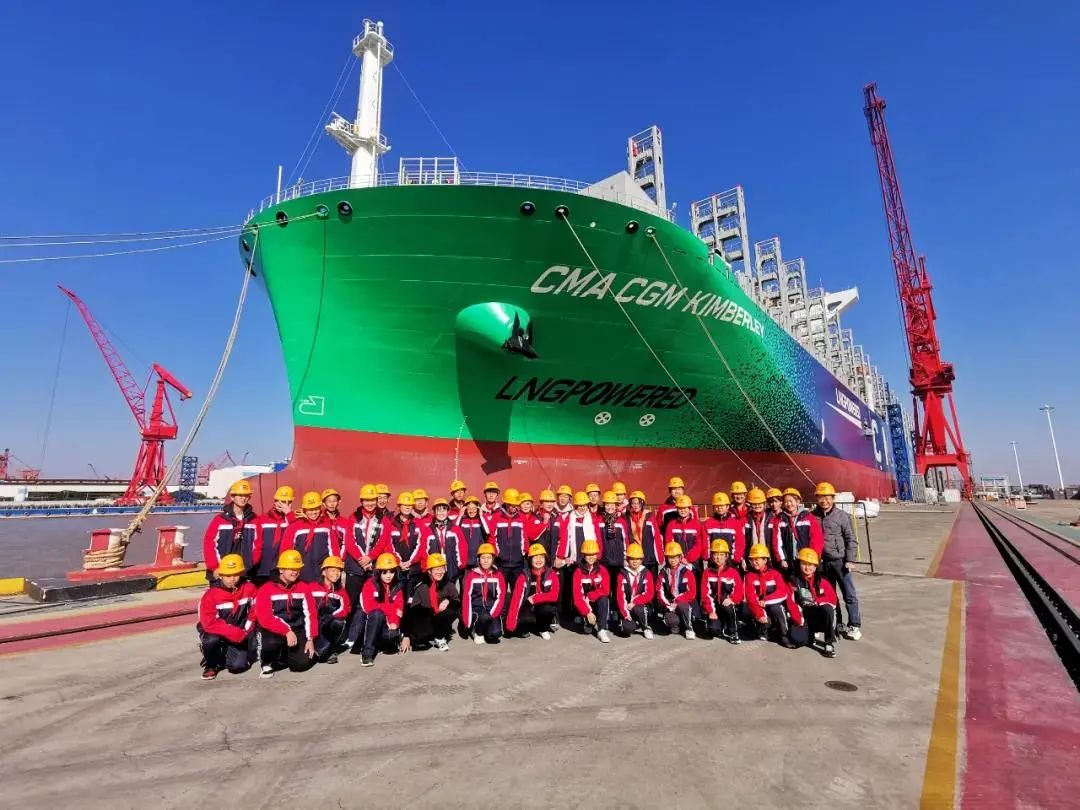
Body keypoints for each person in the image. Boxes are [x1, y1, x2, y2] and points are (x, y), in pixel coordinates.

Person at [254, 549, 318, 677]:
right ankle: (267, 661)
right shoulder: (266, 589)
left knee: (301, 664)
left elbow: (311, 614)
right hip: (273, 630)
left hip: (297, 629)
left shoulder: (304, 587)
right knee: (271, 643)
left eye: (297, 569)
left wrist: (310, 639)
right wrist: (287, 631)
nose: (295, 572)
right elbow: (265, 617)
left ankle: (285, 656)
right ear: (281, 569)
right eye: (291, 569)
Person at [812, 481, 863, 640]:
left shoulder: (842, 516)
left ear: (833, 498)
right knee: (830, 596)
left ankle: (854, 625)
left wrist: (850, 559)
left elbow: (851, 539)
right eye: (821, 497)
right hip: (822, 563)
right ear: (817, 499)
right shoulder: (812, 516)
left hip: (840, 562)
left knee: (849, 594)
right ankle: (837, 623)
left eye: (827, 497)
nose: (824, 501)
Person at [196, 553, 257, 680]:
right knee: (211, 640)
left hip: (240, 632)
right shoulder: (210, 595)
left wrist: (246, 631)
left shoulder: (250, 589)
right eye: (228, 576)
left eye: (236, 575)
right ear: (221, 575)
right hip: (216, 632)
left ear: (241, 573)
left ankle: (224, 653)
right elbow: (209, 623)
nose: (232, 579)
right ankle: (211, 664)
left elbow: (254, 612)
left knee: (238, 667)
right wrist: (233, 632)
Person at [356, 553, 408, 666]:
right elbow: (369, 607)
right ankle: (367, 653)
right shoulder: (370, 584)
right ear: (378, 572)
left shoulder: (398, 586)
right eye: (384, 572)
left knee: (392, 635)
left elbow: (399, 607)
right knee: (376, 614)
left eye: (391, 572)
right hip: (371, 621)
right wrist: (388, 616)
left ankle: (383, 645)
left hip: (388, 623)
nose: (389, 576)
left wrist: (394, 622)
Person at [555, 492, 601, 619]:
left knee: (587, 587)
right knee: (571, 588)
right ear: (575, 506)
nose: (582, 508)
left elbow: (597, 537)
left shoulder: (591, 519)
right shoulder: (570, 518)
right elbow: (564, 538)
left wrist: (598, 554)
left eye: (584, 505)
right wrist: (562, 556)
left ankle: (586, 612)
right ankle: (571, 613)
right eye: (579, 505)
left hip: (587, 557)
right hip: (574, 559)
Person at [744, 543, 799, 647]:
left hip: (775, 605)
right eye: (752, 560)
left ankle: (784, 636)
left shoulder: (775, 574)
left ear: (765, 560)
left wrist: (765, 600)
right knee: (757, 618)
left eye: (757, 559)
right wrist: (759, 614)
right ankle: (764, 630)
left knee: (776, 608)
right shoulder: (749, 576)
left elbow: (782, 593)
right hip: (759, 607)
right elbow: (750, 597)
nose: (754, 562)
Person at [203, 480, 260, 580]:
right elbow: (209, 543)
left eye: (246, 495)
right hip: (221, 571)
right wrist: (215, 567)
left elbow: (258, 544)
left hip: (245, 571)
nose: (243, 498)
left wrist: (250, 564)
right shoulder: (220, 520)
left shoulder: (254, 520)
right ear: (232, 497)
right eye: (240, 495)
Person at [343, 484, 383, 627]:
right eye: (367, 500)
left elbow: (382, 541)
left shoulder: (383, 519)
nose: (370, 503)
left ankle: (368, 631)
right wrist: (362, 560)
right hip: (355, 567)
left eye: (372, 500)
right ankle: (348, 632)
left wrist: (370, 558)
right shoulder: (353, 518)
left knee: (371, 601)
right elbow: (349, 542)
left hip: (373, 567)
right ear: (361, 501)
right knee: (351, 602)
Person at [788, 548, 839, 657]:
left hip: (819, 614)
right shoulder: (793, 581)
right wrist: (797, 618)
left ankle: (829, 642)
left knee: (828, 609)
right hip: (804, 615)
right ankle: (810, 635)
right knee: (797, 640)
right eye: (804, 564)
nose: (807, 568)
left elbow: (832, 599)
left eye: (811, 565)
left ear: (816, 567)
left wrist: (817, 601)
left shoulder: (822, 581)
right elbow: (790, 601)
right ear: (799, 564)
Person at [404, 552, 460, 651]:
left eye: (442, 569)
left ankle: (439, 637)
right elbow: (410, 611)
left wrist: (448, 600)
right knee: (421, 640)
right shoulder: (421, 586)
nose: (440, 572)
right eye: (436, 569)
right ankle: (425, 634)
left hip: (440, 617)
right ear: (429, 571)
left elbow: (457, 601)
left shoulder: (448, 585)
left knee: (454, 609)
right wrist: (406, 636)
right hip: (426, 618)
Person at [505, 544, 560, 639]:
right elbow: (516, 600)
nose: (539, 560)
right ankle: (528, 626)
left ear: (545, 559)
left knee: (547, 609)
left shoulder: (551, 574)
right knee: (521, 624)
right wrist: (511, 623)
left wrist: (535, 598)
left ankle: (542, 628)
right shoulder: (523, 576)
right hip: (528, 606)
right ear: (530, 560)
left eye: (541, 557)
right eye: (535, 557)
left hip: (542, 606)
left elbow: (554, 595)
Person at [281, 491, 337, 583]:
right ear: (304, 509)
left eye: (316, 509)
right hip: (300, 574)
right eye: (310, 510)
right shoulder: (294, 527)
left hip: (322, 574)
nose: (314, 512)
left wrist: (334, 568)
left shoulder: (326, 525)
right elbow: (285, 551)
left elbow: (334, 549)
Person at [769, 489, 824, 576]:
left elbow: (817, 539)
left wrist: (813, 558)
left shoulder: (808, 517)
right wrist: (782, 559)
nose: (789, 504)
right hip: (788, 560)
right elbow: (776, 541)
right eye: (786, 502)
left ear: (798, 502)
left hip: (806, 560)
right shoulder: (780, 519)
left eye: (791, 501)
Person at [306, 555, 350, 663]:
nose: (336, 573)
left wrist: (332, 616)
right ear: (324, 572)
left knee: (338, 623)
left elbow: (347, 608)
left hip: (328, 623)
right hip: (312, 623)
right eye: (332, 570)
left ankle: (329, 650)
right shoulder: (311, 587)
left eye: (339, 571)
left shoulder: (341, 591)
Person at [462, 543, 507, 644]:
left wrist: (493, 614)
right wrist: (467, 620)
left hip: (491, 608)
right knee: (483, 617)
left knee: (495, 634)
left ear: (493, 559)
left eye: (489, 558)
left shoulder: (498, 575)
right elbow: (466, 598)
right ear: (478, 559)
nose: (486, 561)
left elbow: (501, 596)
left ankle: (485, 628)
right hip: (476, 608)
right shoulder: (472, 575)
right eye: (483, 558)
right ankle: (477, 631)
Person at [700, 539, 743, 644]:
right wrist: (711, 611)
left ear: (726, 556)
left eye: (721, 554)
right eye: (715, 554)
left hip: (728, 606)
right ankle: (721, 624)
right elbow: (705, 594)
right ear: (711, 556)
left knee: (728, 606)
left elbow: (739, 592)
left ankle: (733, 632)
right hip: (714, 607)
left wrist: (731, 599)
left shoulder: (733, 572)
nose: (718, 557)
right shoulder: (707, 572)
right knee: (713, 631)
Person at [571, 540, 612, 643]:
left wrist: (591, 595)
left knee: (604, 599)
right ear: (584, 555)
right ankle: (586, 619)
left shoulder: (602, 570)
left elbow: (606, 590)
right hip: (584, 603)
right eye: (588, 554)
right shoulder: (578, 572)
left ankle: (602, 630)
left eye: (593, 554)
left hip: (596, 600)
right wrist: (587, 612)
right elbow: (577, 597)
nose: (591, 557)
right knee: (587, 630)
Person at [253, 485, 295, 585]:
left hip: (282, 569)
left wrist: (288, 514)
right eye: (280, 501)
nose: (282, 505)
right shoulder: (262, 519)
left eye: (286, 502)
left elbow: (296, 531)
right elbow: (256, 542)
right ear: (275, 502)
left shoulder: (293, 519)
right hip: (262, 569)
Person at [382, 492, 422, 594]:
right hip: (397, 568)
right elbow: (389, 545)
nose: (407, 507)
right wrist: (399, 562)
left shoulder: (418, 523)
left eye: (409, 505)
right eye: (404, 505)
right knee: (397, 597)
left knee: (411, 599)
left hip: (414, 569)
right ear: (399, 506)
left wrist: (410, 562)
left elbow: (421, 545)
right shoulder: (391, 523)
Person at [657, 541, 698, 639]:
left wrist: (677, 600)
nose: (673, 560)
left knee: (682, 606)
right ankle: (676, 625)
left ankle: (689, 628)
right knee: (671, 620)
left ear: (680, 557)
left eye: (675, 557)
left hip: (685, 602)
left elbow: (692, 593)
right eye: (670, 557)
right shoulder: (663, 573)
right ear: (666, 558)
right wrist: (667, 605)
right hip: (670, 603)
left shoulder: (687, 572)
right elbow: (659, 591)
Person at [421, 498, 468, 582]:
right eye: (438, 510)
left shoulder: (455, 529)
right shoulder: (428, 530)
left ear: (448, 512)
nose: (441, 513)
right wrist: (426, 567)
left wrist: (460, 565)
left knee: (451, 589)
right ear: (434, 512)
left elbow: (462, 547)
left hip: (452, 570)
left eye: (444, 510)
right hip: (434, 570)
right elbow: (423, 550)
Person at [615, 543, 655, 638]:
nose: (635, 561)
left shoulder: (646, 573)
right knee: (628, 629)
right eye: (632, 559)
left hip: (641, 605)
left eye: (638, 559)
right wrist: (625, 613)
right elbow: (620, 596)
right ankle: (632, 621)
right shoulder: (622, 574)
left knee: (638, 609)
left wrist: (635, 602)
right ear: (627, 559)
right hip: (627, 606)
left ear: (641, 559)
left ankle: (646, 627)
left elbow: (649, 593)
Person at [491, 489, 528, 592]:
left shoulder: (522, 518)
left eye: (516, 504)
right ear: (506, 503)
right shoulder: (496, 517)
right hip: (501, 564)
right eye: (511, 504)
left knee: (517, 592)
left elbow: (524, 537)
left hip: (518, 564)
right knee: (500, 592)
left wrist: (523, 552)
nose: (514, 507)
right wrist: (497, 553)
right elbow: (492, 538)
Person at [626, 490, 663, 579]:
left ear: (642, 503)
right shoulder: (627, 517)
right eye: (633, 503)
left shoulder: (649, 516)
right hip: (636, 556)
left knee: (652, 580)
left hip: (649, 556)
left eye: (638, 503)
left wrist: (659, 556)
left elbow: (656, 536)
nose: (636, 505)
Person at [597, 490, 631, 584]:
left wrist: (626, 557)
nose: (610, 507)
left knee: (618, 586)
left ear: (616, 505)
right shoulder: (599, 521)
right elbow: (598, 539)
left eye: (612, 504)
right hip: (604, 560)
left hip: (618, 560)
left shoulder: (621, 521)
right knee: (605, 586)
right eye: (607, 504)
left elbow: (625, 540)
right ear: (604, 505)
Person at [704, 492, 744, 568]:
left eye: (722, 506)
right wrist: (709, 558)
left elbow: (740, 543)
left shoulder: (735, 523)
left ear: (727, 506)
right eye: (717, 506)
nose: (720, 508)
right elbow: (705, 543)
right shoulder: (708, 523)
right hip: (713, 562)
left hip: (731, 563)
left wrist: (735, 560)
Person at [663, 495, 703, 570]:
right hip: (677, 562)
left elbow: (699, 544)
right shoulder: (671, 525)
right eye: (680, 508)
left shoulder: (697, 525)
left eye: (685, 508)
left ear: (689, 508)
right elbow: (669, 543)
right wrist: (679, 558)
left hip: (694, 562)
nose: (682, 510)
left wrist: (688, 559)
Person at [455, 496, 488, 577]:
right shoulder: (462, 520)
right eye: (469, 508)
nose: (471, 511)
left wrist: (481, 516)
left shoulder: (481, 520)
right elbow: (455, 529)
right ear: (465, 509)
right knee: (464, 582)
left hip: (478, 560)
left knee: (477, 581)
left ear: (478, 509)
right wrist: (460, 515)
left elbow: (487, 531)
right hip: (465, 559)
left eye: (474, 508)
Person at [741, 488, 772, 571]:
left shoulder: (772, 518)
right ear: (750, 504)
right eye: (754, 504)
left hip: (768, 559)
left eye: (759, 503)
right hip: (751, 559)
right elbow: (741, 541)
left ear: (764, 503)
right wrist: (742, 558)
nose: (757, 506)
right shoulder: (745, 519)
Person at [527, 489, 560, 558]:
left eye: (552, 502)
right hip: (538, 555)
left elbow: (562, 538)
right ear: (541, 503)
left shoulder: (557, 516)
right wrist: (544, 523)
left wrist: (559, 556)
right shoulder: (534, 516)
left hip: (553, 555)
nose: (550, 504)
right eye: (547, 502)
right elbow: (532, 536)